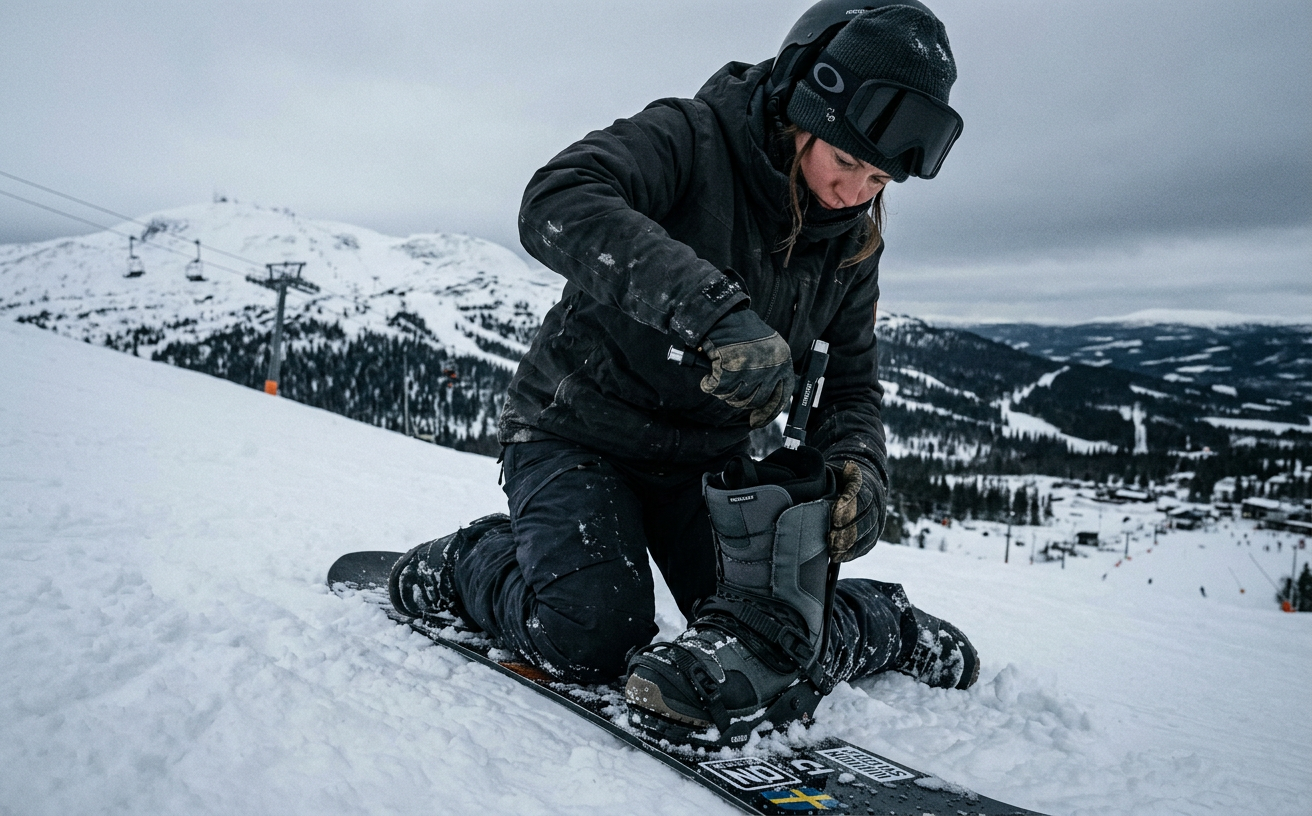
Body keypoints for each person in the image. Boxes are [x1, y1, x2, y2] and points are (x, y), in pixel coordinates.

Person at [390, 0, 978, 746]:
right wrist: (713, 312)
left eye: (879, 179)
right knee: (593, 635)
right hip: (575, 433)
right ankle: (467, 563)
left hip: (706, 464)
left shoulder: (852, 243)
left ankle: (885, 624)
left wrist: (859, 464)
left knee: (769, 642)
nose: (854, 193)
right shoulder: (690, 137)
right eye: (844, 162)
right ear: (801, 112)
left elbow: (850, 384)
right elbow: (557, 200)